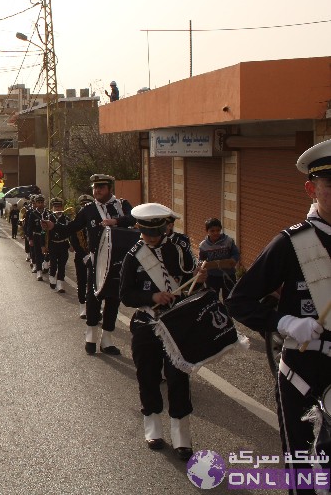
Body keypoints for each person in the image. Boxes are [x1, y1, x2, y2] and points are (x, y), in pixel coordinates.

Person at [227, 139, 331, 489]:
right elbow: (238, 301)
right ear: (310, 189)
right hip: (303, 373)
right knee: (302, 473)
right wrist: (285, 323)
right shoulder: (291, 243)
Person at [119, 203, 204, 462]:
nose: (152, 238)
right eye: (147, 233)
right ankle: (153, 428)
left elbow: (193, 282)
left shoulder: (178, 250)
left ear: (165, 228)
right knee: (148, 375)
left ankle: (182, 438)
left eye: (156, 232)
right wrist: (151, 295)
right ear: (140, 229)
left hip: (176, 325)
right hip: (146, 323)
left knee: (179, 379)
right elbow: (125, 294)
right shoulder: (133, 255)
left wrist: (201, 279)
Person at [46, 174, 135, 355]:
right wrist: (53, 227)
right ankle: (91, 337)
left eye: (101, 187)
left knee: (113, 301)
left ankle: (107, 340)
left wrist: (115, 221)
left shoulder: (122, 205)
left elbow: (133, 219)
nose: (97, 191)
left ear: (110, 188)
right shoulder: (89, 210)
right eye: (95, 188)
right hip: (97, 262)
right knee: (93, 299)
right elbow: (71, 228)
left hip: (119, 263)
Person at [198, 218, 240, 299]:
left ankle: (228, 312)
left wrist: (233, 260)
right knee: (212, 298)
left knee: (229, 298)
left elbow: (236, 253)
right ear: (207, 231)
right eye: (212, 231)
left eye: (218, 230)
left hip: (228, 275)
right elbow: (201, 259)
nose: (215, 233)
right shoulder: (203, 246)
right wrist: (201, 264)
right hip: (212, 277)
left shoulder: (228, 241)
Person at [70, 194, 95, 318]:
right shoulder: (77, 221)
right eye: (83, 205)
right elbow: (73, 240)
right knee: (82, 281)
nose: (84, 207)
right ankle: (82, 306)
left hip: (95, 256)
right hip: (81, 256)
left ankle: (96, 308)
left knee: (96, 283)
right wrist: (83, 255)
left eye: (87, 205)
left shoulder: (95, 220)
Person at [44, 198, 71, 293]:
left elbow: (70, 231)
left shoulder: (66, 218)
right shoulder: (49, 218)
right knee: (54, 264)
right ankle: (52, 276)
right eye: (55, 206)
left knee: (62, 265)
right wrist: (44, 246)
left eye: (59, 206)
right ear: (52, 208)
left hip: (63, 244)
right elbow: (45, 233)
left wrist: (71, 244)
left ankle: (60, 283)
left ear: (62, 207)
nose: (57, 208)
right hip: (53, 244)